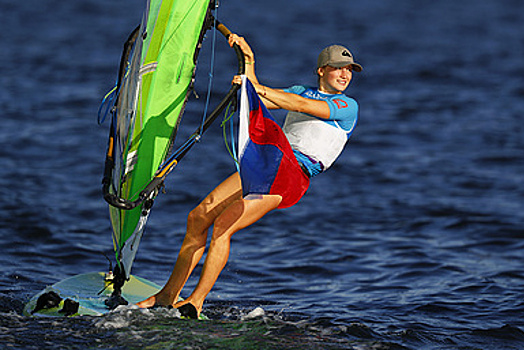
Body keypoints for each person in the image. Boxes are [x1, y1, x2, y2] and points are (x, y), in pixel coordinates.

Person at [136, 34, 362, 319]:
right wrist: (248, 60)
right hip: (269, 162)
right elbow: (257, 94)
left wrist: (257, 89)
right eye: (338, 67)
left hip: (292, 174)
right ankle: (167, 295)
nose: (345, 74)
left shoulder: (348, 107)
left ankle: (196, 300)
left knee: (222, 226)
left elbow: (300, 106)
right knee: (198, 216)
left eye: (349, 70)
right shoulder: (301, 90)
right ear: (321, 70)